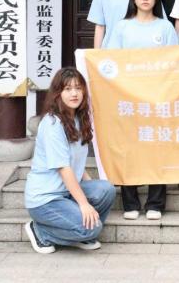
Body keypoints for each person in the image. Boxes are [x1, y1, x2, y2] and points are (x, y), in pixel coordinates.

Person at [106, 0, 178, 221]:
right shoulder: (122, 27)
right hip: (128, 98)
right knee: (129, 150)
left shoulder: (165, 27)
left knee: (157, 149)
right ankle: (130, 202)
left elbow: (174, 62)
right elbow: (111, 61)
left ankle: (156, 203)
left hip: (157, 99)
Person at [24, 67, 116, 254]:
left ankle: (80, 232)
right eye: (67, 89)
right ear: (57, 93)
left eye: (78, 88)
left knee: (105, 189)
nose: (74, 93)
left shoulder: (78, 119)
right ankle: (41, 231)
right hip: (46, 199)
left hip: (66, 193)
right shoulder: (52, 124)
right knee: (92, 228)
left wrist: (92, 191)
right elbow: (64, 168)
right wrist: (83, 203)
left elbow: (76, 162)